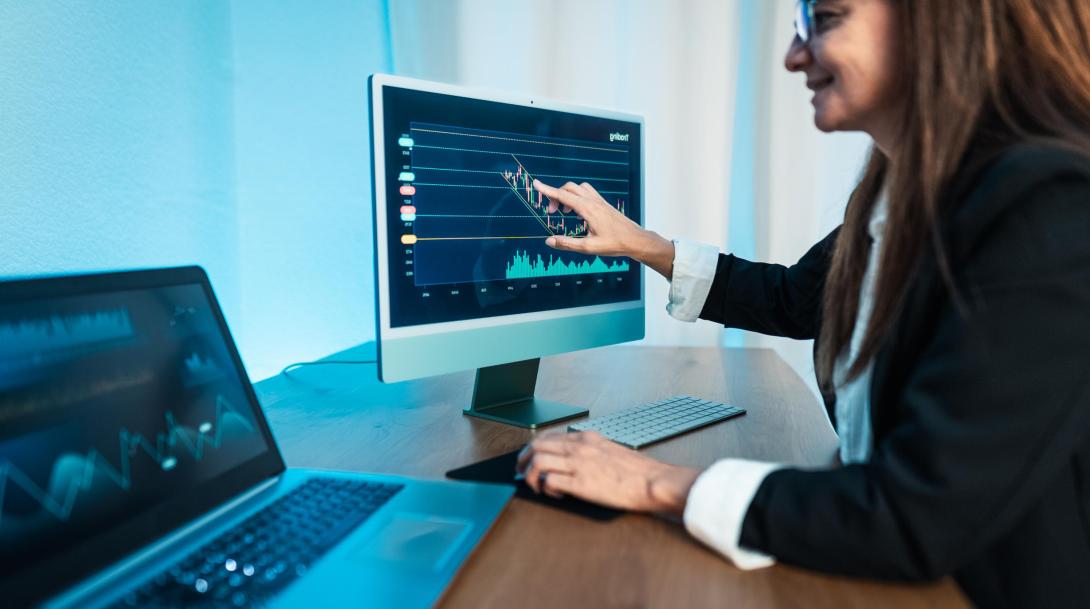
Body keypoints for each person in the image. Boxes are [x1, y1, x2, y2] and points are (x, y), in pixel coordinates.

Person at [515, 1, 1090, 607]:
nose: (793, 56)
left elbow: (918, 515)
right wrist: (642, 245)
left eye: (828, 19)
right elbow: (795, 300)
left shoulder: (1047, 207)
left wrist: (657, 483)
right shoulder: (895, 193)